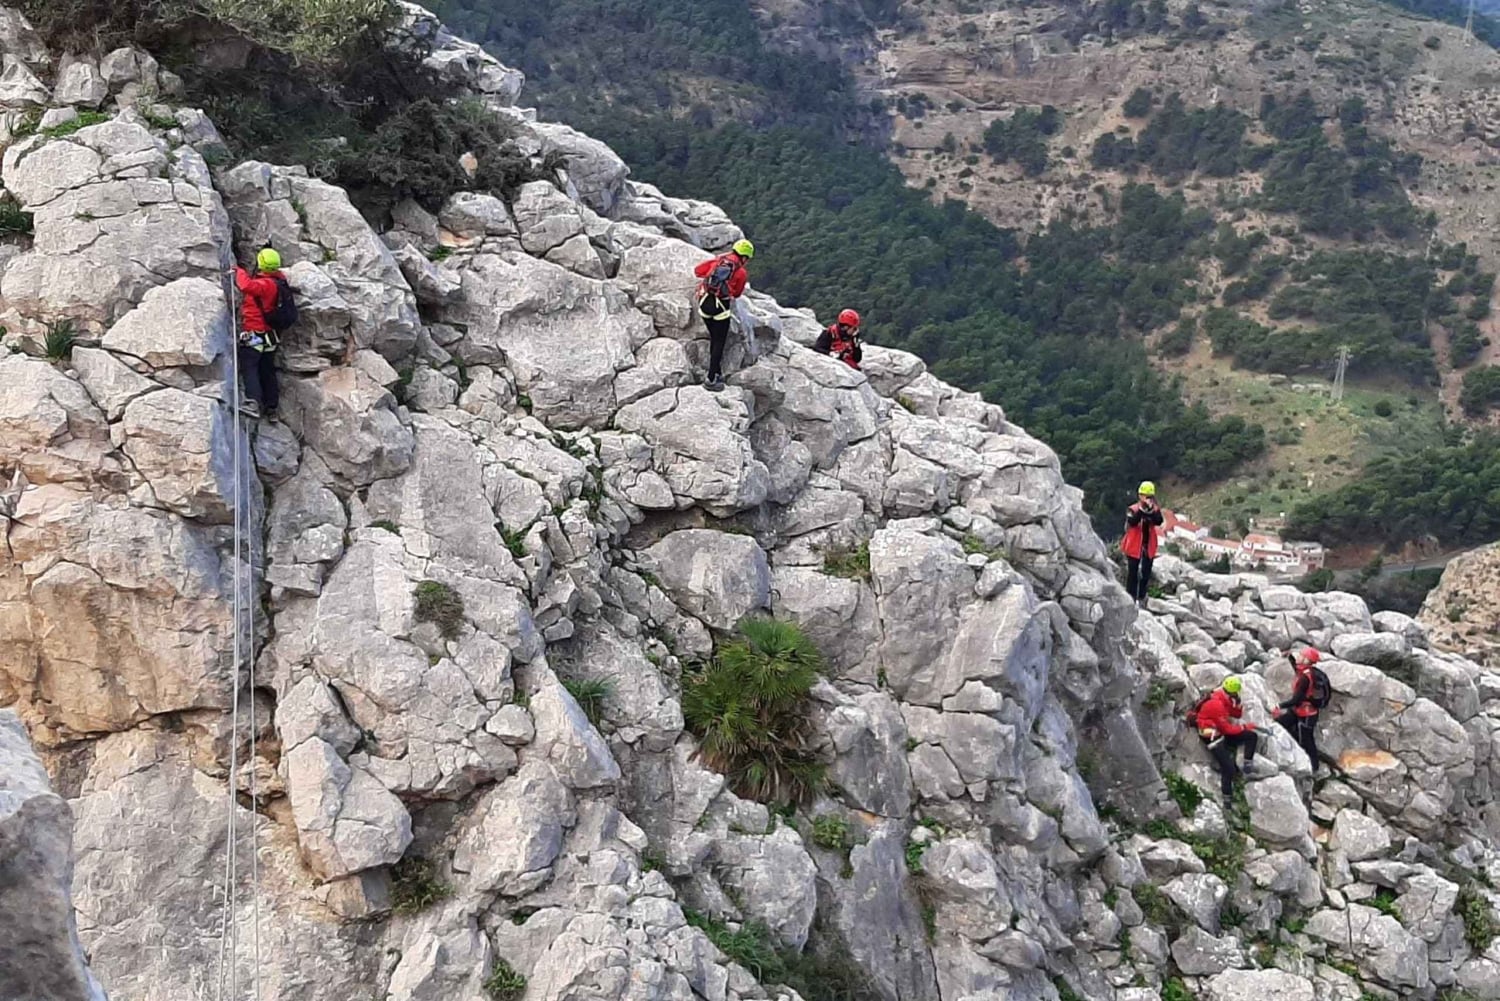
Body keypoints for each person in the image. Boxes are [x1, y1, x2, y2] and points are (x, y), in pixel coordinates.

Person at [693, 238, 754, 392]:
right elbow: (738, 294)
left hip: (704, 304)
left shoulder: (719, 260)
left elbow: (698, 271)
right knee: (718, 342)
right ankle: (711, 378)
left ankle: (717, 372)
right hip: (720, 308)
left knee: (714, 338)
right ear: (745, 257)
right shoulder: (740, 272)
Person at [232, 247, 284, 419]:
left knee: (250, 366)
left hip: (255, 333)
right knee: (267, 369)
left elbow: (246, 285)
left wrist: (238, 271)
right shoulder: (279, 281)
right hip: (270, 336)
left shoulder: (265, 285)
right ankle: (272, 408)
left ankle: (253, 403)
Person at [1195, 676, 1263, 807]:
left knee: (1251, 736)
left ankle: (1248, 764)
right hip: (1212, 737)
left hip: (1220, 733)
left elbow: (1236, 715)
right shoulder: (1216, 705)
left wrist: (1237, 704)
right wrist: (1243, 727)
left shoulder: (1222, 697)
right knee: (1229, 768)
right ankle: (1227, 799)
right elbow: (1227, 729)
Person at [1273, 647, 1327, 774]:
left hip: (1307, 715)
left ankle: (1314, 767)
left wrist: (1280, 706)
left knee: (1307, 741)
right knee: (1280, 724)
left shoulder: (1305, 678)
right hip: (1299, 711)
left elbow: (1297, 699)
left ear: (1307, 660)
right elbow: (1295, 666)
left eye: (1301, 655)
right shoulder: (1304, 671)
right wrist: (1290, 656)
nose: (1298, 657)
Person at [1122, 480, 1164, 607]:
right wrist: (1141, 511)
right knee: (1133, 573)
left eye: (1150, 497)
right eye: (1146, 496)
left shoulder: (1155, 509)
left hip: (1147, 546)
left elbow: (1159, 521)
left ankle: (1141, 597)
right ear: (1140, 496)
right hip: (1134, 545)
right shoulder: (1132, 509)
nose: (1148, 499)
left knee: (1146, 573)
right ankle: (1130, 597)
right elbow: (1133, 522)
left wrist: (1152, 511)